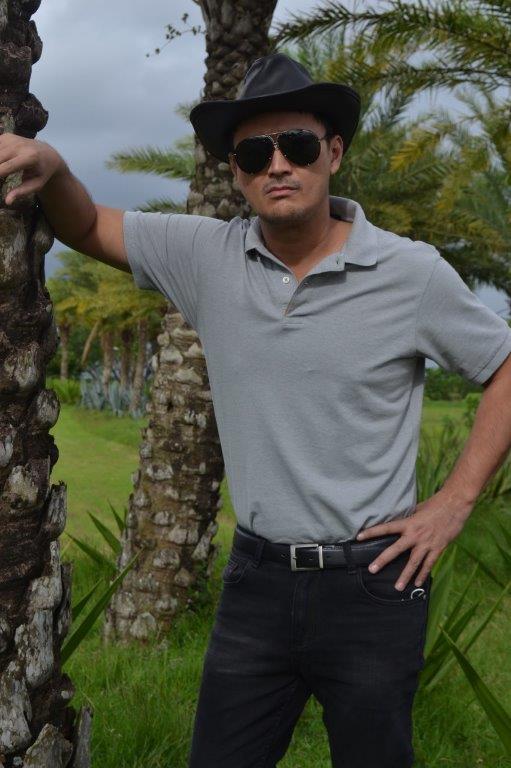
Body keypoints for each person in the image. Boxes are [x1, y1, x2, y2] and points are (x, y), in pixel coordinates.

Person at [2, 52, 511, 768]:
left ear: (334, 153)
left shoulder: (410, 273)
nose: (278, 165)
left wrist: (453, 504)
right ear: (237, 174)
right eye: (253, 153)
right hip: (255, 585)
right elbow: (87, 227)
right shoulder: (205, 256)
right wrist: (54, 167)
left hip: (373, 585)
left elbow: (503, 364)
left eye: (297, 145)